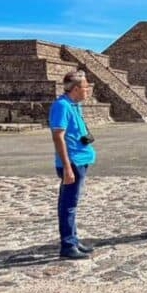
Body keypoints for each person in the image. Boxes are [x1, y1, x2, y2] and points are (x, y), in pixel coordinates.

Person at [49, 70, 96, 259]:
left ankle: (74, 239)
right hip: (72, 162)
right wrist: (67, 167)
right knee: (68, 204)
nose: (87, 90)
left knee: (72, 203)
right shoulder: (61, 106)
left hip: (81, 159)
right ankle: (67, 244)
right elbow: (57, 136)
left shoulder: (74, 105)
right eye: (85, 87)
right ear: (76, 88)